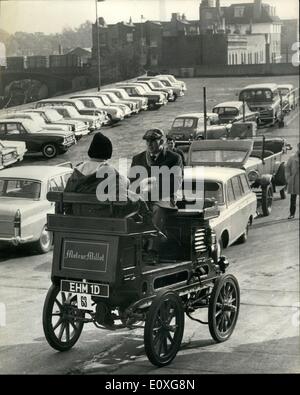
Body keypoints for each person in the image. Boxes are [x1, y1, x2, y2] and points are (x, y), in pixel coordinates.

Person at [129, 128, 183, 263]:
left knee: (156, 210)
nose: (149, 144)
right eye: (147, 141)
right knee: (129, 210)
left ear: (162, 141)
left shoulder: (174, 158)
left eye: (153, 141)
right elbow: (132, 182)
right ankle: (133, 249)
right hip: (143, 197)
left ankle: (152, 251)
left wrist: (151, 188)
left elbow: (175, 184)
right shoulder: (138, 159)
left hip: (165, 197)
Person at [285, 142, 299, 219]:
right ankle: (292, 214)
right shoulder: (292, 157)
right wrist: (288, 178)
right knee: (293, 198)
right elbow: (287, 168)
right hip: (294, 180)